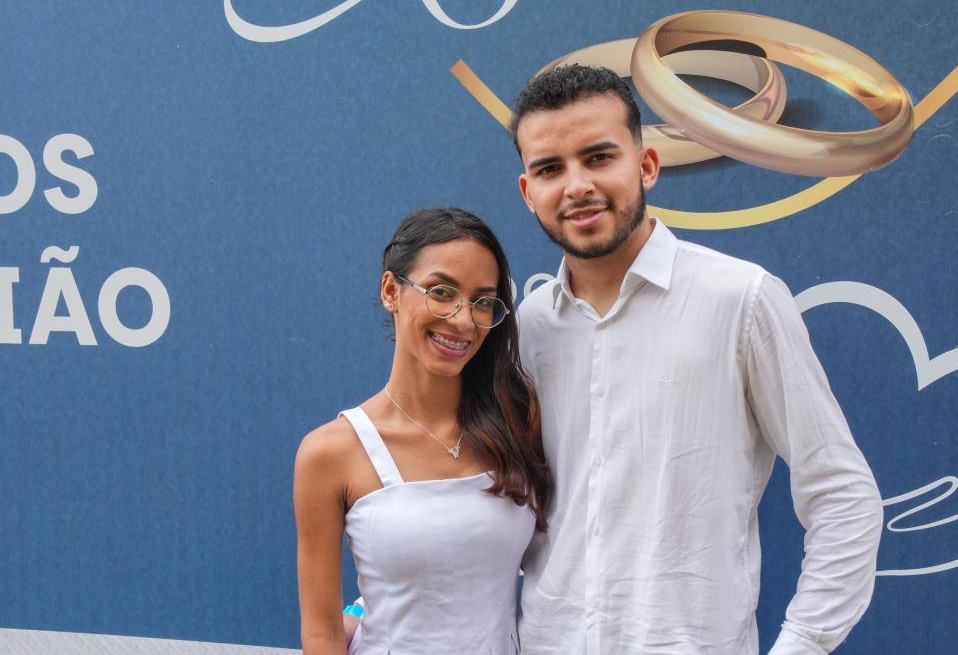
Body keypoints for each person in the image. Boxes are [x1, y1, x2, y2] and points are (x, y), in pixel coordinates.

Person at [510, 64, 884, 654]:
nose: (576, 185)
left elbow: (841, 492)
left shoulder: (742, 299)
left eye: (599, 157)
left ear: (646, 165)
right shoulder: (525, 328)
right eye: (550, 168)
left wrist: (804, 643)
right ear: (528, 192)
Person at [294, 206, 550, 654]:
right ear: (391, 290)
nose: (463, 320)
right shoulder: (330, 452)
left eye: (482, 301)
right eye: (441, 292)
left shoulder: (518, 422)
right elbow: (322, 633)